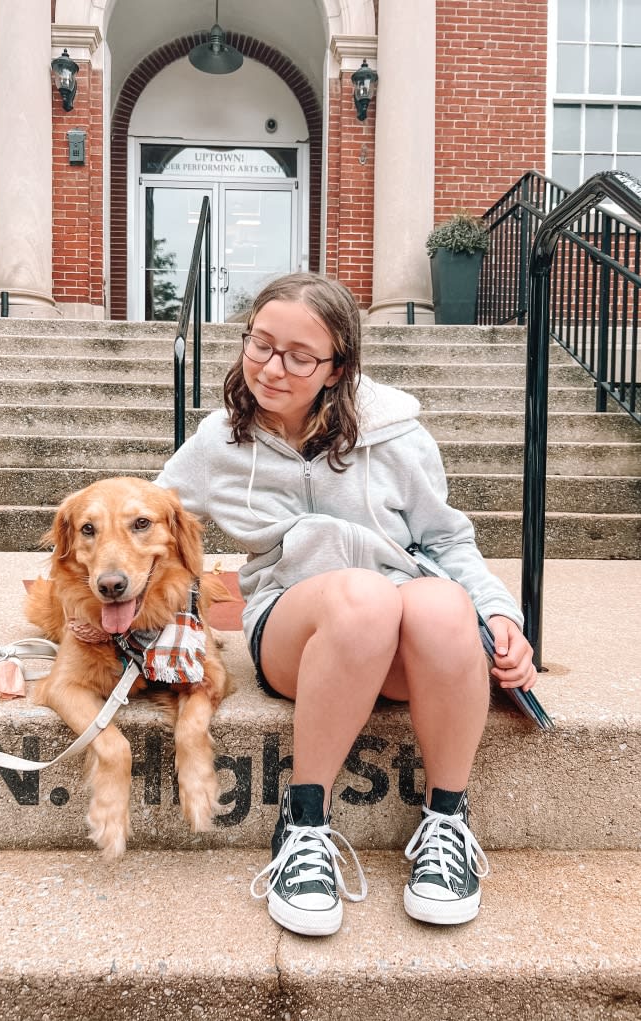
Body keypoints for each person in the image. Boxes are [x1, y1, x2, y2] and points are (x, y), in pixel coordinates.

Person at [155, 271, 537, 937]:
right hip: (293, 631)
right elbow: (146, 519)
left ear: (337, 368)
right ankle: (305, 825)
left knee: (444, 605)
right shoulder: (220, 440)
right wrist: (82, 604)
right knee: (362, 599)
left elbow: (447, 538)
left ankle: (446, 820)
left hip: (397, 639)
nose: (272, 368)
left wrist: (501, 615)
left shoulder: (397, 436)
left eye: (299, 356)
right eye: (260, 345)